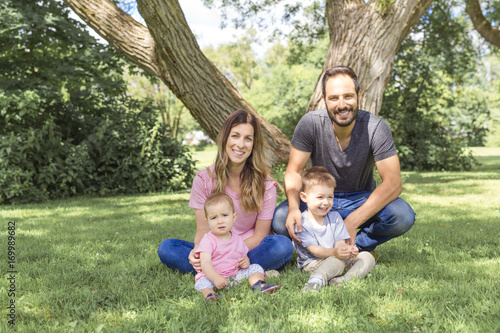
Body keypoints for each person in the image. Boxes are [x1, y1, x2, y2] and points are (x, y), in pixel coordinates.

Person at [272, 66, 415, 255]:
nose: (341, 105)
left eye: (348, 96)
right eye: (333, 98)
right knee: (280, 219)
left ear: (359, 95)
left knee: (402, 216)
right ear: (324, 99)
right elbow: (293, 171)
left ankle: (359, 246)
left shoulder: (376, 128)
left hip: (360, 199)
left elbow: (394, 183)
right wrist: (292, 207)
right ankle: (327, 246)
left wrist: (351, 222)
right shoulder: (310, 124)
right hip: (319, 198)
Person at [158, 109, 293, 275]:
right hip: (214, 251)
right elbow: (202, 230)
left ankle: (220, 271)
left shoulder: (265, 184)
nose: (241, 144)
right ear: (225, 138)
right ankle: (241, 271)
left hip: (247, 251)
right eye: (235, 136)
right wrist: (199, 251)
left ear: (254, 144)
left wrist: (233, 251)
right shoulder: (203, 180)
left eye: (248, 139)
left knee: (282, 246)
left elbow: (260, 235)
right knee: (167, 248)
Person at [294, 167, 375, 292]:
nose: (326, 202)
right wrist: (336, 253)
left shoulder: (335, 217)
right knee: (336, 262)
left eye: (330, 197)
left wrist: (347, 250)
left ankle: (344, 280)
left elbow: (340, 243)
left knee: (367, 257)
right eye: (320, 197)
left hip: (336, 257)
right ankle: (316, 280)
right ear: (304, 197)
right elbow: (315, 250)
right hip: (314, 262)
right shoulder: (302, 222)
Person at [195, 192, 281, 301]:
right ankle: (210, 295)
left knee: (255, 267)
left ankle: (258, 283)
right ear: (207, 221)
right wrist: (216, 278)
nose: (220, 221)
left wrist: (245, 262)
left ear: (234, 217)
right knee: (201, 282)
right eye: (214, 218)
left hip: (234, 275)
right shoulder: (207, 240)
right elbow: (205, 263)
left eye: (224, 215)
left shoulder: (237, 239)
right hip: (212, 277)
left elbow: (243, 256)